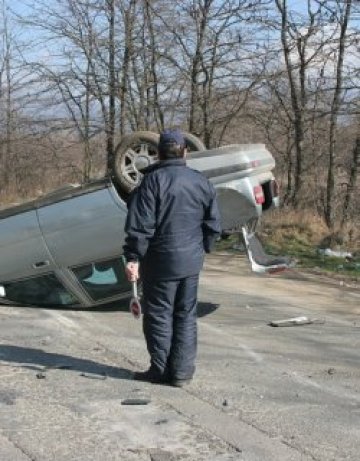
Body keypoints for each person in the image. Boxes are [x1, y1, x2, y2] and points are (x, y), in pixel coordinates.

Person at [123, 129, 221, 387]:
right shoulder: (201, 181)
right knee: (186, 315)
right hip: (191, 261)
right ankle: (181, 373)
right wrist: (204, 249)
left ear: (159, 153)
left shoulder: (151, 182)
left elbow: (140, 226)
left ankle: (159, 370)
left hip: (160, 261)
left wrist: (132, 257)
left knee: (159, 314)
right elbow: (213, 224)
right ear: (185, 151)